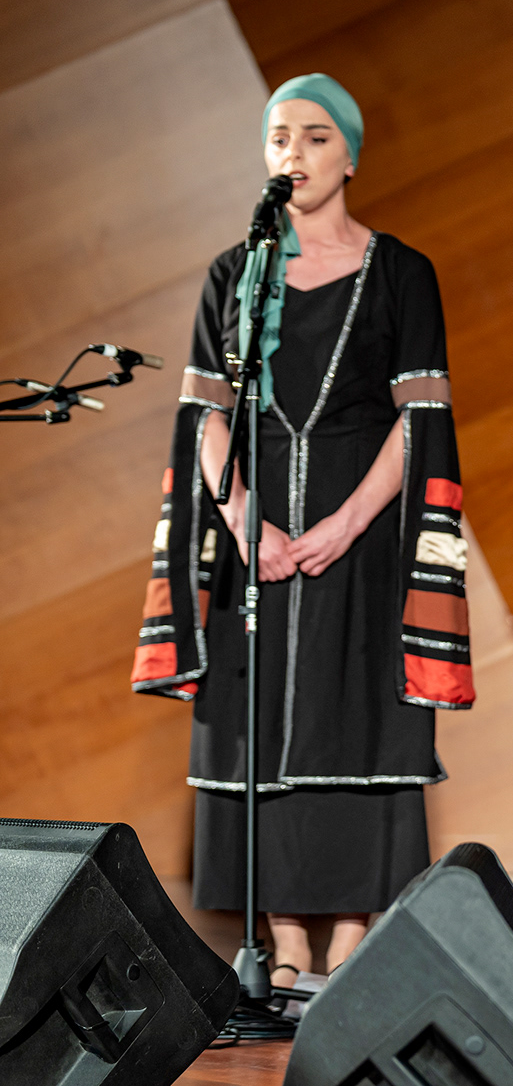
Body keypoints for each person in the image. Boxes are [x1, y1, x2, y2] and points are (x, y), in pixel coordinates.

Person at [131, 74, 474, 984]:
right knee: (262, 718)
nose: (296, 153)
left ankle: (352, 944)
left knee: (354, 715)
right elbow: (205, 414)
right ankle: (283, 946)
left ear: (350, 156)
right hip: (257, 534)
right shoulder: (233, 274)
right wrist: (248, 520)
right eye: (280, 136)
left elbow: (421, 418)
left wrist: (346, 524)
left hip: (362, 526)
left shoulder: (402, 272)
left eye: (317, 136)